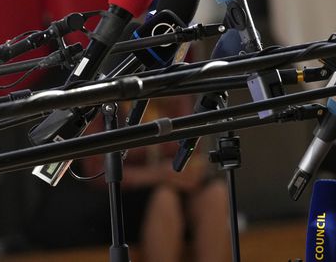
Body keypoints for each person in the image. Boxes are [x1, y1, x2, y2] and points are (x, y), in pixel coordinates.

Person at [28, 96, 231, 262]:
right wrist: (158, 174)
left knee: (216, 194)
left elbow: (193, 154)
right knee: (164, 199)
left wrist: (183, 172)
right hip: (121, 193)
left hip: (172, 184)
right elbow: (96, 171)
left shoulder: (176, 93)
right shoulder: (110, 99)